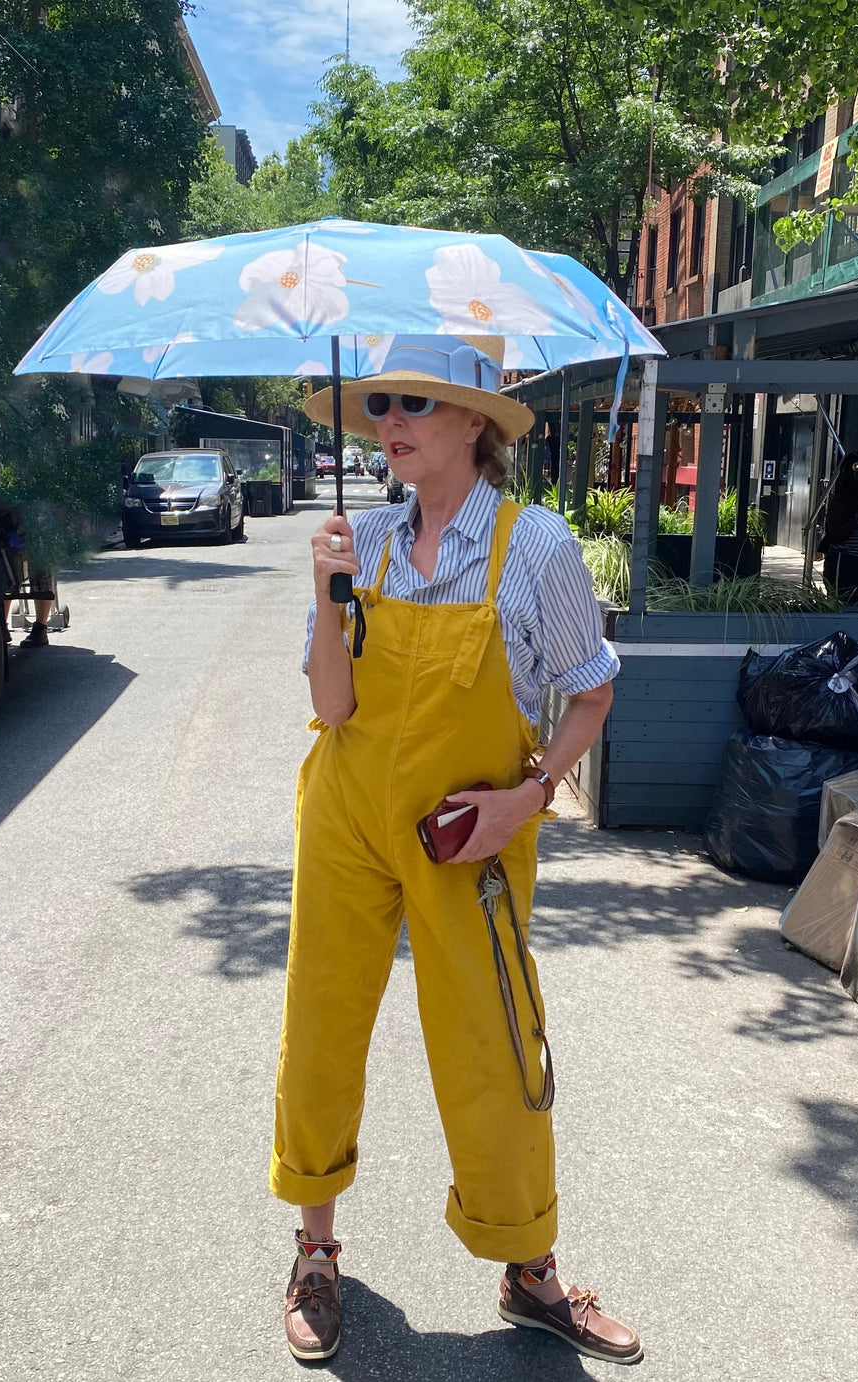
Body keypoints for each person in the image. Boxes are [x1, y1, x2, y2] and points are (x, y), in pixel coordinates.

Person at [272, 335, 640, 1366]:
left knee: (493, 1047)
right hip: (345, 817)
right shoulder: (366, 541)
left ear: (476, 423)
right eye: (381, 401)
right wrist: (327, 591)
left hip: (469, 834)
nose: (390, 420)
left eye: (417, 405)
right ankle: (314, 1252)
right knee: (319, 1031)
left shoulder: (538, 548)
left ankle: (531, 1270)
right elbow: (332, 706)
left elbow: (593, 688)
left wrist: (525, 800)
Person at [819, 450, 858, 607]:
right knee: (846, 610)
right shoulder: (843, 499)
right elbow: (836, 534)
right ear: (853, 472)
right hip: (846, 564)